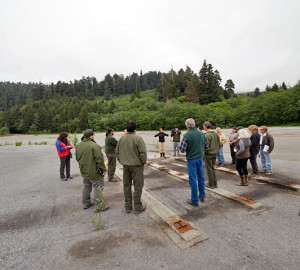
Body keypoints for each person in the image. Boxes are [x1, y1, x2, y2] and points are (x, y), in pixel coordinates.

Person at [116, 122, 147, 214]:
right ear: (135, 129)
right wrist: (142, 162)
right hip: (137, 166)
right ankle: (138, 206)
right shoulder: (138, 138)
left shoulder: (121, 139)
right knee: (138, 186)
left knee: (126, 186)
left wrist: (121, 160)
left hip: (125, 166)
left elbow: (116, 151)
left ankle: (128, 207)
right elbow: (142, 152)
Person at [75, 129, 109, 212]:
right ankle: (100, 206)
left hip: (84, 170)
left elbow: (77, 158)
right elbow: (99, 159)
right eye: (93, 135)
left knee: (86, 186)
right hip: (94, 171)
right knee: (98, 187)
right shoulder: (94, 145)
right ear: (91, 136)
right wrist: (103, 170)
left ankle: (86, 203)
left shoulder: (79, 145)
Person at [179, 118, 206, 206]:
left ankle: (194, 200)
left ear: (187, 126)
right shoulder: (201, 133)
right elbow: (206, 146)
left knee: (193, 180)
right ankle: (202, 195)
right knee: (201, 177)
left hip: (191, 159)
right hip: (200, 158)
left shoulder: (187, 135)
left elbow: (182, 150)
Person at [203, 122, 221, 188]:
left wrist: (204, 152)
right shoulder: (216, 134)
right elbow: (219, 143)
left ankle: (211, 184)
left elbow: (205, 146)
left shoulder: (207, 135)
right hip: (215, 153)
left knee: (209, 169)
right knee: (213, 168)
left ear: (204, 127)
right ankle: (215, 183)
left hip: (208, 154)